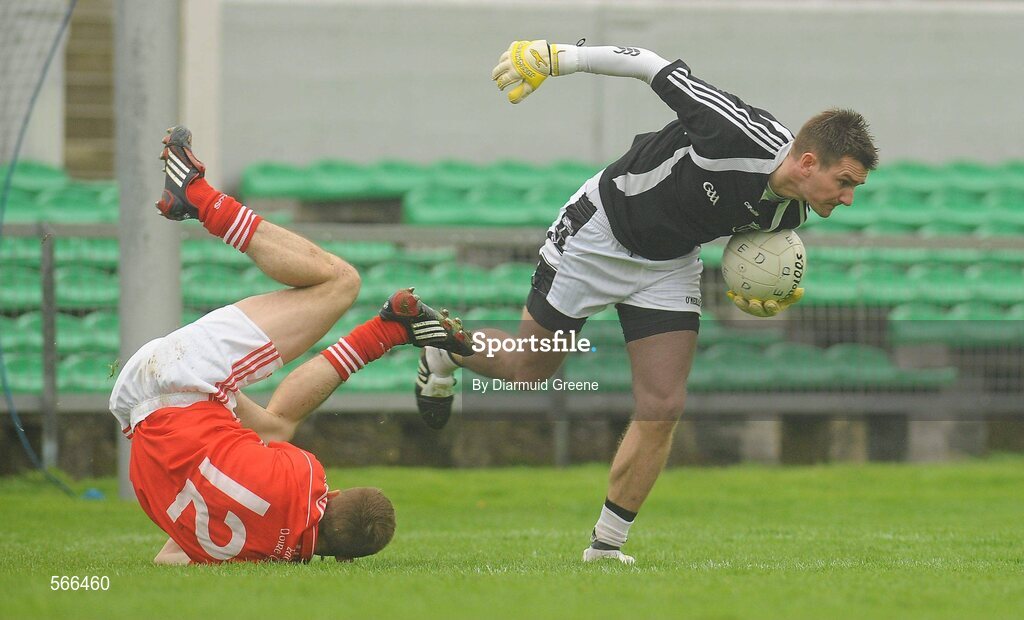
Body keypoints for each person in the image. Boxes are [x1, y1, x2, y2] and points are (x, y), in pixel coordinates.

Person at [415, 41, 879, 564]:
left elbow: (741, 247)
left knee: (663, 404)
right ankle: (444, 350)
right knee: (529, 367)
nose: (847, 199)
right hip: (601, 231)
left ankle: (606, 547)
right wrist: (554, 57)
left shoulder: (791, 216)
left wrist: (758, 291)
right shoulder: (735, 131)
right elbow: (648, 65)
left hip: (668, 264)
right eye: (844, 183)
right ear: (809, 161)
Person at [110, 126, 474, 565]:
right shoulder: (256, 556)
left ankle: (199, 198)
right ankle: (394, 328)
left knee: (339, 283)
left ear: (331, 494)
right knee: (275, 427)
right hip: (138, 411)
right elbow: (168, 560)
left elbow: (279, 481)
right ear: (338, 557)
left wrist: (219, 398)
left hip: (186, 379)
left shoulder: (307, 478)